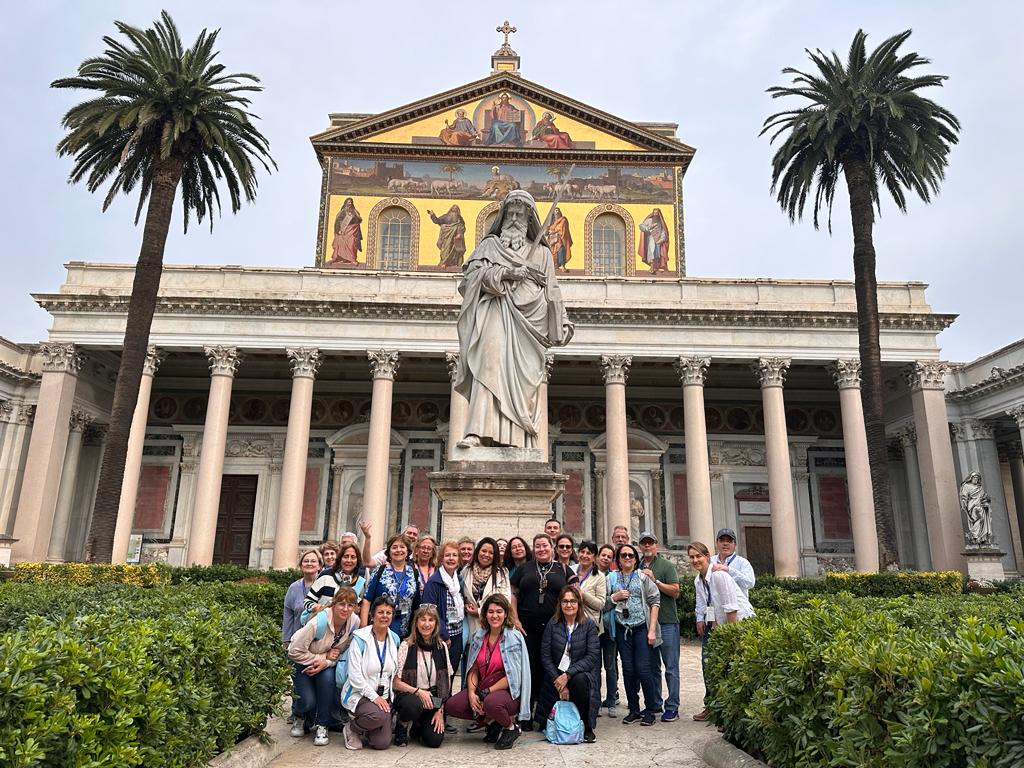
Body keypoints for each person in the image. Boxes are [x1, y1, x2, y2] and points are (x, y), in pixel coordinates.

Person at [453, 190, 573, 449]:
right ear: (503, 216)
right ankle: (476, 432)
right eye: (511, 212)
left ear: (530, 219)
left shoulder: (541, 254)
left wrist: (561, 321)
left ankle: (517, 439)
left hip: (528, 325)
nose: (516, 218)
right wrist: (507, 273)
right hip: (496, 311)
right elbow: (469, 280)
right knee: (489, 362)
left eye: (521, 213)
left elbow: (552, 290)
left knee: (522, 381)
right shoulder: (488, 246)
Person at [446, 594, 531, 750]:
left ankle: (511, 728)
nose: (495, 615)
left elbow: (514, 676)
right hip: (482, 687)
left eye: (499, 611)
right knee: (452, 705)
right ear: (485, 614)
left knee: (492, 703)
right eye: (491, 611)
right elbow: (474, 669)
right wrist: (472, 694)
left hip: (506, 692)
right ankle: (493, 721)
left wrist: (487, 692)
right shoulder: (478, 636)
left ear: (506, 613)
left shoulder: (514, 637)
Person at [510, 533, 577, 728]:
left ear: (552, 547)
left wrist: (569, 622)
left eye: (545, 545)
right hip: (527, 628)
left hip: (555, 628)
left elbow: (574, 595)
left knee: (552, 670)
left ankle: (549, 715)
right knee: (529, 671)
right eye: (537, 546)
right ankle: (526, 715)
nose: (541, 549)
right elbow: (513, 595)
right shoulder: (524, 569)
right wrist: (515, 618)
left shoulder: (562, 568)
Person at [689, 541, 754, 722]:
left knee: (732, 669)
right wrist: (704, 622)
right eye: (692, 557)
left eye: (698, 556)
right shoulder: (698, 580)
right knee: (709, 666)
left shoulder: (719, 576)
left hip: (737, 626)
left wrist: (732, 639)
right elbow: (709, 605)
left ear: (707, 557)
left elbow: (731, 608)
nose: (695, 560)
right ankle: (713, 707)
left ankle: (732, 716)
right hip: (719, 626)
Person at [288, 588, 361, 746]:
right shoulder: (318, 622)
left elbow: (343, 651)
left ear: (355, 607)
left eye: (350, 605)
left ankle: (323, 725)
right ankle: (299, 715)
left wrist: (326, 663)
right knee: (308, 701)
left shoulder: (355, 622)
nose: (345, 609)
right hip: (302, 661)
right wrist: (321, 658)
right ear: (333, 605)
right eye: (341, 604)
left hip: (327, 663)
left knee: (328, 679)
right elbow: (293, 651)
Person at [535, 585, 600, 742]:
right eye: (565, 601)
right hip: (556, 676)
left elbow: (592, 656)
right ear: (560, 604)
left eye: (572, 601)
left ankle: (586, 725)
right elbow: (545, 655)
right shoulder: (553, 623)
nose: (569, 605)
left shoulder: (589, 625)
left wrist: (569, 675)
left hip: (580, 674)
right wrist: (560, 681)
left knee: (580, 681)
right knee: (548, 725)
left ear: (579, 603)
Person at [608, 543, 661, 726]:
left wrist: (652, 629)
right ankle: (633, 709)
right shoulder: (613, 578)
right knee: (628, 670)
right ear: (619, 560)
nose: (628, 558)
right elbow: (606, 602)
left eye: (631, 555)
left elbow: (655, 602)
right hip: (623, 629)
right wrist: (615, 597)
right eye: (624, 556)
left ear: (636, 559)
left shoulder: (642, 577)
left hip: (641, 628)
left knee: (643, 669)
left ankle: (651, 709)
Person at [340, 597, 401, 750]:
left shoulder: (394, 639)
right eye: (380, 612)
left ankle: (368, 727)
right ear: (372, 616)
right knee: (378, 715)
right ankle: (352, 728)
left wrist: (385, 699)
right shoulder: (360, 639)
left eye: (389, 613)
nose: (385, 616)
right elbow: (355, 677)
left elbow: (392, 673)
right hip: (360, 694)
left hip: (383, 698)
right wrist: (375, 697)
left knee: (381, 743)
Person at [391, 605, 453, 748]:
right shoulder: (406, 645)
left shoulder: (441, 646)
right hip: (410, 695)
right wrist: (418, 692)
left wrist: (440, 710)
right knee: (413, 705)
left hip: (433, 700)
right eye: (422, 619)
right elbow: (395, 682)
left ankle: (418, 725)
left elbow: (446, 683)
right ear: (416, 622)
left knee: (434, 741)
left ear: (436, 624)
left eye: (431, 620)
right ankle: (402, 724)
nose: (426, 624)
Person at [638, 531, 682, 723]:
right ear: (640, 546)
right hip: (647, 624)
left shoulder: (666, 566)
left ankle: (672, 706)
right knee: (652, 666)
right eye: (644, 543)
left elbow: (675, 591)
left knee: (670, 666)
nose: (647, 546)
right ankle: (655, 703)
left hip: (667, 621)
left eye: (650, 543)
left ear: (656, 546)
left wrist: (655, 580)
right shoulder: (636, 565)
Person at [283, 549, 325, 726]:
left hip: (320, 644)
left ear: (320, 565)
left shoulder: (325, 586)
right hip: (297, 645)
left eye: (313, 561)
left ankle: (311, 719)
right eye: (306, 561)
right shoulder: (294, 588)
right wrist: (285, 640)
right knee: (300, 685)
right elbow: (288, 615)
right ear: (301, 565)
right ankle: (298, 712)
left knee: (315, 684)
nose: (309, 564)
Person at [421, 541, 466, 683]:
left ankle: (447, 703)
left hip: (457, 635)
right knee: (439, 675)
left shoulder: (458, 580)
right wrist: (444, 636)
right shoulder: (434, 582)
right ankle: (437, 703)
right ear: (441, 559)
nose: (451, 558)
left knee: (451, 674)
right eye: (447, 555)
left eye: (454, 555)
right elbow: (429, 612)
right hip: (441, 638)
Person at [362, 534, 421, 637]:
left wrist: (414, 632)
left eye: (402, 547)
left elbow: (416, 606)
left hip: (404, 631)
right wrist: (363, 627)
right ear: (389, 552)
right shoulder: (379, 571)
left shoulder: (414, 573)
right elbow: (367, 599)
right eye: (394, 547)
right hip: (378, 629)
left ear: (408, 551)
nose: (398, 550)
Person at [304, 542, 367, 622]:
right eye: (346, 556)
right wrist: (315, 607)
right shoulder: (326, 575)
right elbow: (307, 601)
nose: (349, 560)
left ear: (357, 560)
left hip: (345, 631)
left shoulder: (360, 583)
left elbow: (359, 611)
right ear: (340, 558)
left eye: (353, 557)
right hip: (321, 626)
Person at [463, 537, 512, 637]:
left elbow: (506, 601)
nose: (486, 555)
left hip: (493, 625)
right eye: (484, 551)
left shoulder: (502, 573)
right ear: (477, 552)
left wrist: (480, 611)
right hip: (470, 624)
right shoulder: (466, 570)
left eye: (491, 553)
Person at [596, 544, 620, 717]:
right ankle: (595, 701)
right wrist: (611, 599)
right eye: (603, 555)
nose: (605, 558)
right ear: (597, 556)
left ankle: (611, 701)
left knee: (610, 666)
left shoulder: (614, 577)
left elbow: (618, 599)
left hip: (609, 627)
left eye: (609, 556)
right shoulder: (589, 575)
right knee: (595, 666)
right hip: (594, 628)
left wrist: (607, 601)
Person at [710, 528, 756, 599]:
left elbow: (750, 583)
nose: (725, 543)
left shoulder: (743, 562)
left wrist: (729, 571)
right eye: (722, 540)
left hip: (739, 607)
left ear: (735, 544)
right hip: (716, 607)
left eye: (729, 541)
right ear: (717, 543)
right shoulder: (710, 561)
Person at [328, 197, 362, 266]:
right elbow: (337, 221)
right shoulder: (342, 212)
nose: (350, 203)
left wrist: (353, 217)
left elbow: (359, 220)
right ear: (345, 203)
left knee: (352, 243)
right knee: (339, 240)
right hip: (343, 231)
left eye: (351, 202)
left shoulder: (355, 211)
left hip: (352, 230)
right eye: (348, 202)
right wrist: (338, 230)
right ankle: (341, 258)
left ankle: (352, 259)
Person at [638, 208, 669, 274]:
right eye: (654, 213)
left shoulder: (661, 223)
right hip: (651, 238)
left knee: (657, 254)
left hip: (658, 240)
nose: (655, 214)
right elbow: (641, 226)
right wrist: (649, 227)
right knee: (651, 251)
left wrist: (661, 239)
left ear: (659, 214)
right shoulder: (649, 220)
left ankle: (656, 267)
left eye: (657, 213)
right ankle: (652, 267)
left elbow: (664, 232)